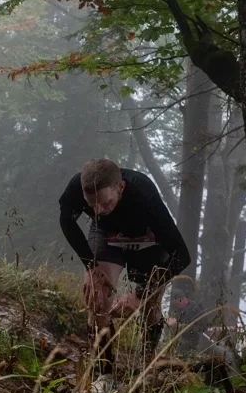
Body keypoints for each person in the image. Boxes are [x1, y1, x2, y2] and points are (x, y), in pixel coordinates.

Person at [57, 158, 191, 373]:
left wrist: (140, 295)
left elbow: (182, 255)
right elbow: (66, 221)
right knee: (98, 300)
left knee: (150, 307)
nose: (98, 211)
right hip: (106, 235)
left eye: (105, 203)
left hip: (148, 240)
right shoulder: (77, 187)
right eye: (91, 205)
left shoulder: (144, 193)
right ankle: (104, 374)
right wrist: (90, 267)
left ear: (120, 187)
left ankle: (147, 363)